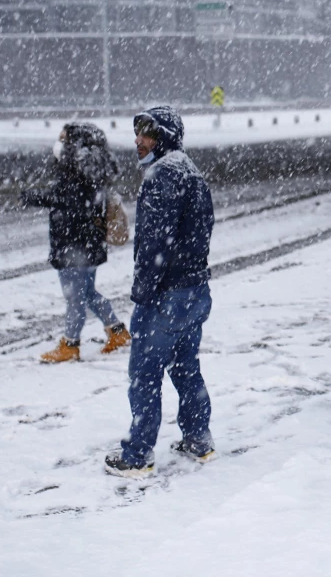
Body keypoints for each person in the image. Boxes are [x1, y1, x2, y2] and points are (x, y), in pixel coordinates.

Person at [105, 106, 216, 478]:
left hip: (166, 295)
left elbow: (153, 246)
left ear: (165, 136)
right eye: (137, 133)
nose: (138, 141)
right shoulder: (191, 172)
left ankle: (137, 456)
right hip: (195, 291)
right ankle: (199, 439)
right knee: (186, 368)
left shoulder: (161, 175)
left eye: (147, 134)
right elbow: (200, 234)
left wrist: (144, 294)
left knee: (145, 374)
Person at [23, 121, 129, 364]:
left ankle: (70, 345)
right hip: (89, 244)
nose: (59, 144)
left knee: (75, 298)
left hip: (73, 246)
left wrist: (34, 197)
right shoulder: (92, 168)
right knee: (88, 293)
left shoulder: (73, 170)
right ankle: (117, 331)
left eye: (64, 139)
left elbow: (67, 200)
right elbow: (78, 202)